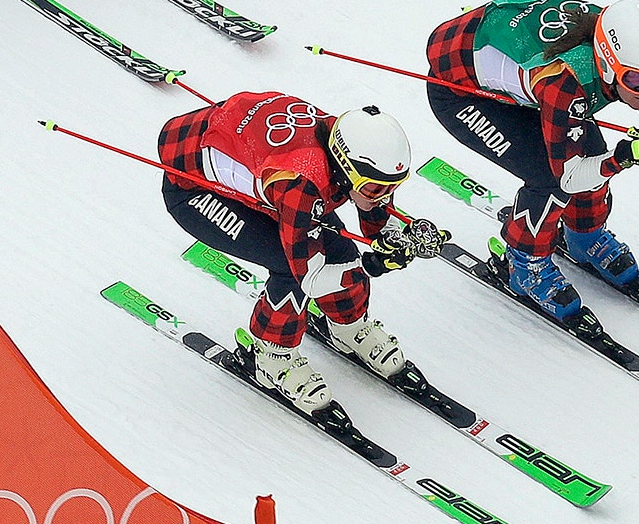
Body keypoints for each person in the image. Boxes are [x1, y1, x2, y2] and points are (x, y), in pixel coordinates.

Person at [158, 93, 441, 418]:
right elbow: (309, 273)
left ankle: (349, 327)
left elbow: (372, 212)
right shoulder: (300, 183)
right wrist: (367, 265)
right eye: (375, 189)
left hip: (263, 169)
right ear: (348, 171)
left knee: (338, 252)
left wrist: (396, 236)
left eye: (393, 186)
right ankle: (270, 357)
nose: (384, 195)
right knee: (291, 269)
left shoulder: (348, 141)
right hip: (195, 191)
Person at [424, 0, 639, 322]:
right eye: (638, 81)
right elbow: (569, 176)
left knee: (592, 153)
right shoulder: (565, 81)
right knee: (549, 178)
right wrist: (626, 156)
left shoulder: (621, 43)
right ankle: (522, 263)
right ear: (609, 64)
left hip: (526, 85)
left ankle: (585, 235)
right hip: (460, 93)